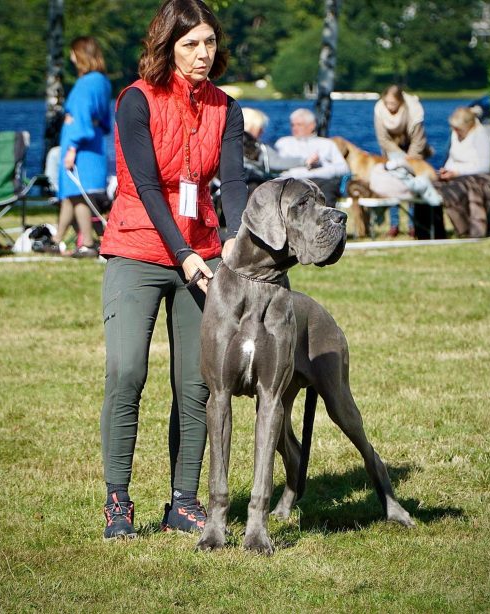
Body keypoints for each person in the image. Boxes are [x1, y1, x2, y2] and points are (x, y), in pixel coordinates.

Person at [98, 0, 247, 539]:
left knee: (197, 383)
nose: (202, 54)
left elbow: (232, 182)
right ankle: (118, 499)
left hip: (202, 253)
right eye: (190, 45)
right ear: (167, 46)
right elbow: (144, 186)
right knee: (126, 372)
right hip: (138, 247)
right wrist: (183, 256)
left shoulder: (226, 108)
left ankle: (183, 501)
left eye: (209, 42)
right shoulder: (135, 101)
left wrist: (230, 242)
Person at [49, 37, 111, 258]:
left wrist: (72, 147)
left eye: (74, 53)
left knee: (79, 194)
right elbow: (103, 119)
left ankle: (87, 242)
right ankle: (57, 239)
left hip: (81, 146)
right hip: (93, 143)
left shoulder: (86, 83)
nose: (71, 58)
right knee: (70, 195)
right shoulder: (102, 81)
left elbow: (82, 116)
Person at [374, 85, 433, 236]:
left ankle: (414, 225)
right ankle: (394, 225)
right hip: (391, 150)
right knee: (393, 184)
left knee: (412, 185)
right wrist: (397, 158)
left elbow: (418, 139)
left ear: (400, 102)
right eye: (387, 102)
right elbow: (383, 139)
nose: (389, 106)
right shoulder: (380, 110)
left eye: (393, 103)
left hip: (414, 150)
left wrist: (410, 159)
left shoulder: (413, 110)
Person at [435, 106, 490, 238]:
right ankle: (432, 232)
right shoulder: (455, 134)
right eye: (453, 128)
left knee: (453, 190)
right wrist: (446, 170)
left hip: (479, 177)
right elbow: (452, 158)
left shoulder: (481, 135)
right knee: (431, 185)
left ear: (469, 125)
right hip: (457, 176)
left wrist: (457, 172)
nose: (454, 131)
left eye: (458, 129)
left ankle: (470, 231)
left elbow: (483, 166)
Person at [274, 108, 349, 207]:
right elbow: (276, 165)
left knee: (328, 188)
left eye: (299, 125)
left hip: (320, 181)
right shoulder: (283, 143)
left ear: (312, 126)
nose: (295, 128)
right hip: (292, 181)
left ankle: (325, 220)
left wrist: (320, 168)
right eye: (293, 125)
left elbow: (344, 168)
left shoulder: (326, 144)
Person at [241, 107, 304, 190]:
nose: (262, 131)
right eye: (261, 128)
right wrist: (304, 161)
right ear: (253, 126)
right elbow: (276, 163)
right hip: (253, 185)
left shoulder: (227, 143)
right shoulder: (258, 147)